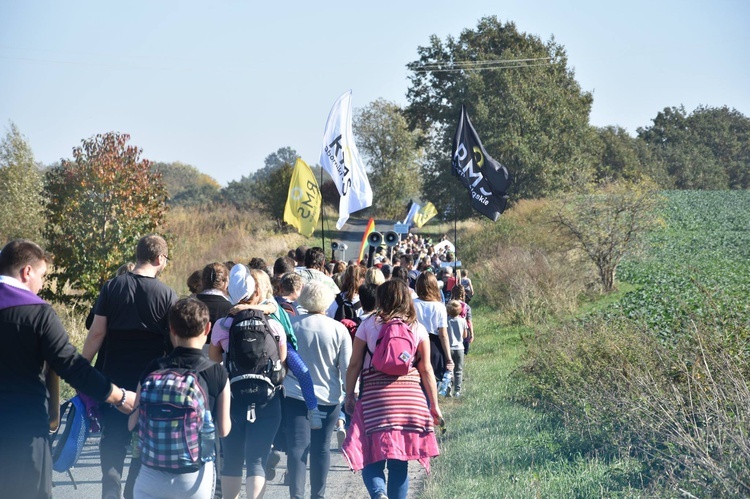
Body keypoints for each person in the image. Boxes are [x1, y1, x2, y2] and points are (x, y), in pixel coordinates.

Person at [0, 239, 137, 499]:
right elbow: (71, 366)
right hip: (24, 429)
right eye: (41, 276)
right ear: (26, 272)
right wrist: (118, 396)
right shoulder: (36, 313)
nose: (41, 285)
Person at [82, 234, 178, 499]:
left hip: (113, 377)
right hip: (150, 380)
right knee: (145, 442)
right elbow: (173, 342)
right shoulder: (168, 294)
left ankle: (110, 493)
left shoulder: (112, 287)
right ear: (159, 258)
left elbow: (97, 333)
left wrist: (81, 368)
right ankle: (133, 491)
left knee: (112, 440)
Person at [342, 280, 442, 499]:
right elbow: (426, 369)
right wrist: (434, 405)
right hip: (410, 400)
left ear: (381, 298)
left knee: (371, 455)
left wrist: (350, 394)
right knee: (399, 461)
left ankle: (379, 494)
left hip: (376, 399)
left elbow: (355, 364)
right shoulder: (417, 327)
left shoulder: (367, 325)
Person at [128, 298, 231, 499]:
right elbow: (224, 430)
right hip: (195, 476)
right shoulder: (216, 373)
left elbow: (132, 423)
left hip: (151, 473)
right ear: (208, 328)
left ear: (171, 329)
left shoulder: (153, 368)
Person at [209, 265, 287, 499]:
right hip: (267, 399)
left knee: (231, 459)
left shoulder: (222, 325)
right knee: (257, 459)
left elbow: (214, 360)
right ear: (258, 293)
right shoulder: (273, 324)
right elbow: (281, 360)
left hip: (233, 398)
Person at [285, 280, 352, 499]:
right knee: (321, 448)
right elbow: (346, 366)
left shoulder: (292, 325)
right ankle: (318, 495)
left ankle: (296, 495)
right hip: (328, 396)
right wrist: (350, 393)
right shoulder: (338, 329)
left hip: (295, 395)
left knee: (297, 448)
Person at [413, 272, 454, 385]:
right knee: (433, 380)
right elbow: (443, 335)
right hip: (434, 345)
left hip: (416, 344)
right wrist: (448, 357)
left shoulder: (412, 304)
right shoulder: (439, 307)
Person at [446, 300, 468, 397]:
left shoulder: (446, 321)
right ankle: (457, 391)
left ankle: (448, 389)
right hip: (459, 348)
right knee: (458, 370)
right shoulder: (463, 321)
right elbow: (465, 335)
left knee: (448, 370)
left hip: (448, 348)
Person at [451, 284, 474, 355]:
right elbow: (469, 322)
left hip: (450, 333)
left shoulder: (449, 305)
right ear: (463, 293)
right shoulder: (466, 307)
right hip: (463, 332)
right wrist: (472, 334)